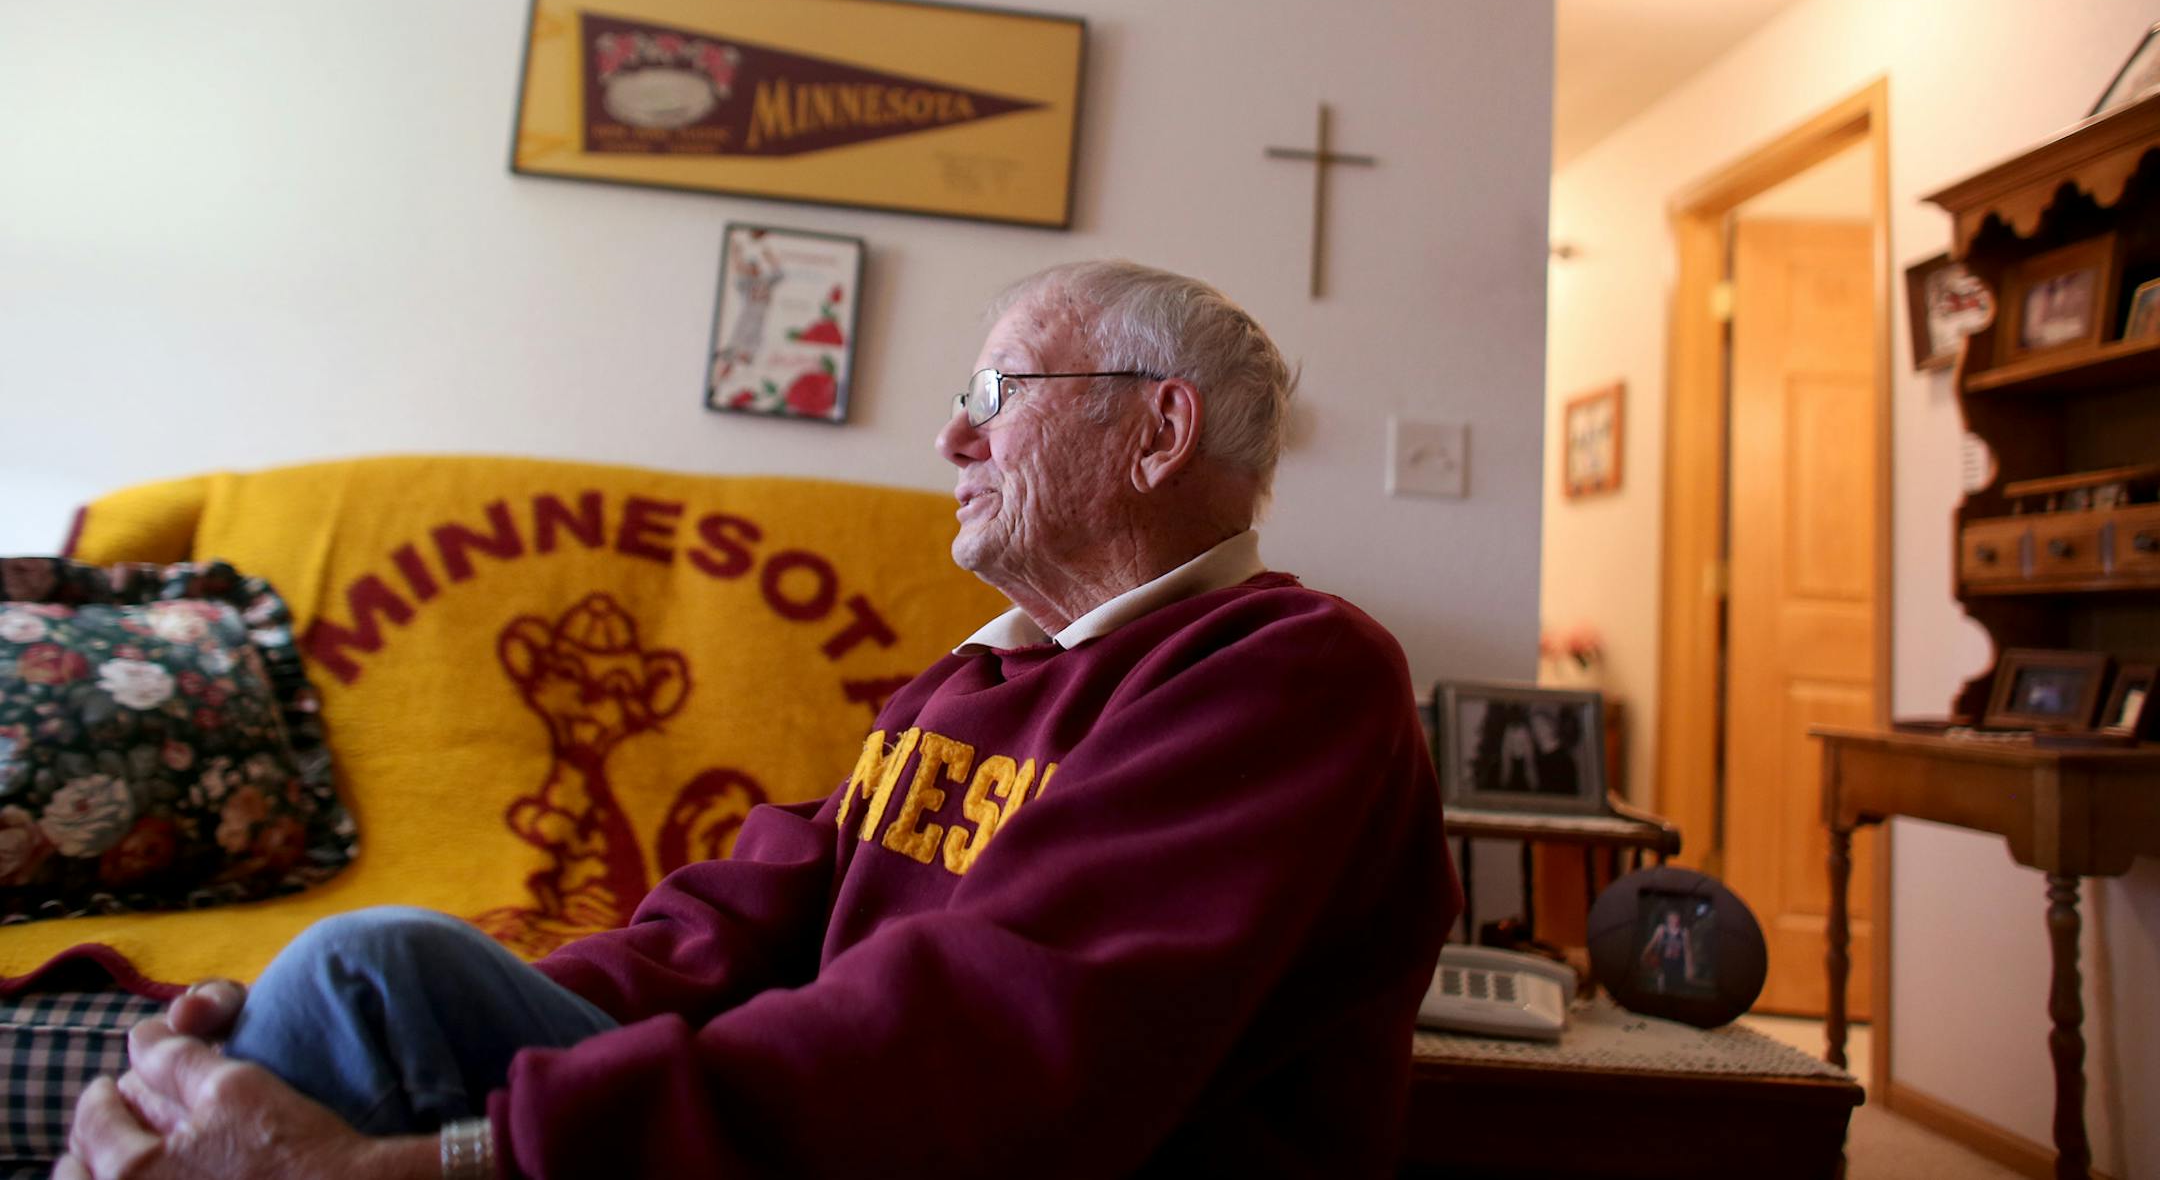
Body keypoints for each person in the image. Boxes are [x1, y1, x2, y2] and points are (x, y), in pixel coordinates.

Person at [62, 260, 1458, 1179]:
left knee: (327, 1016)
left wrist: (448, 1158)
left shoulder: (1289, 671)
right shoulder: (971, 684)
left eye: (993, 396)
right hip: (845, 1139)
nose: (948, 441)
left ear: (1157, 434)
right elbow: (730, 925)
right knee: (371, 980)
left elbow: (1000, 1044)